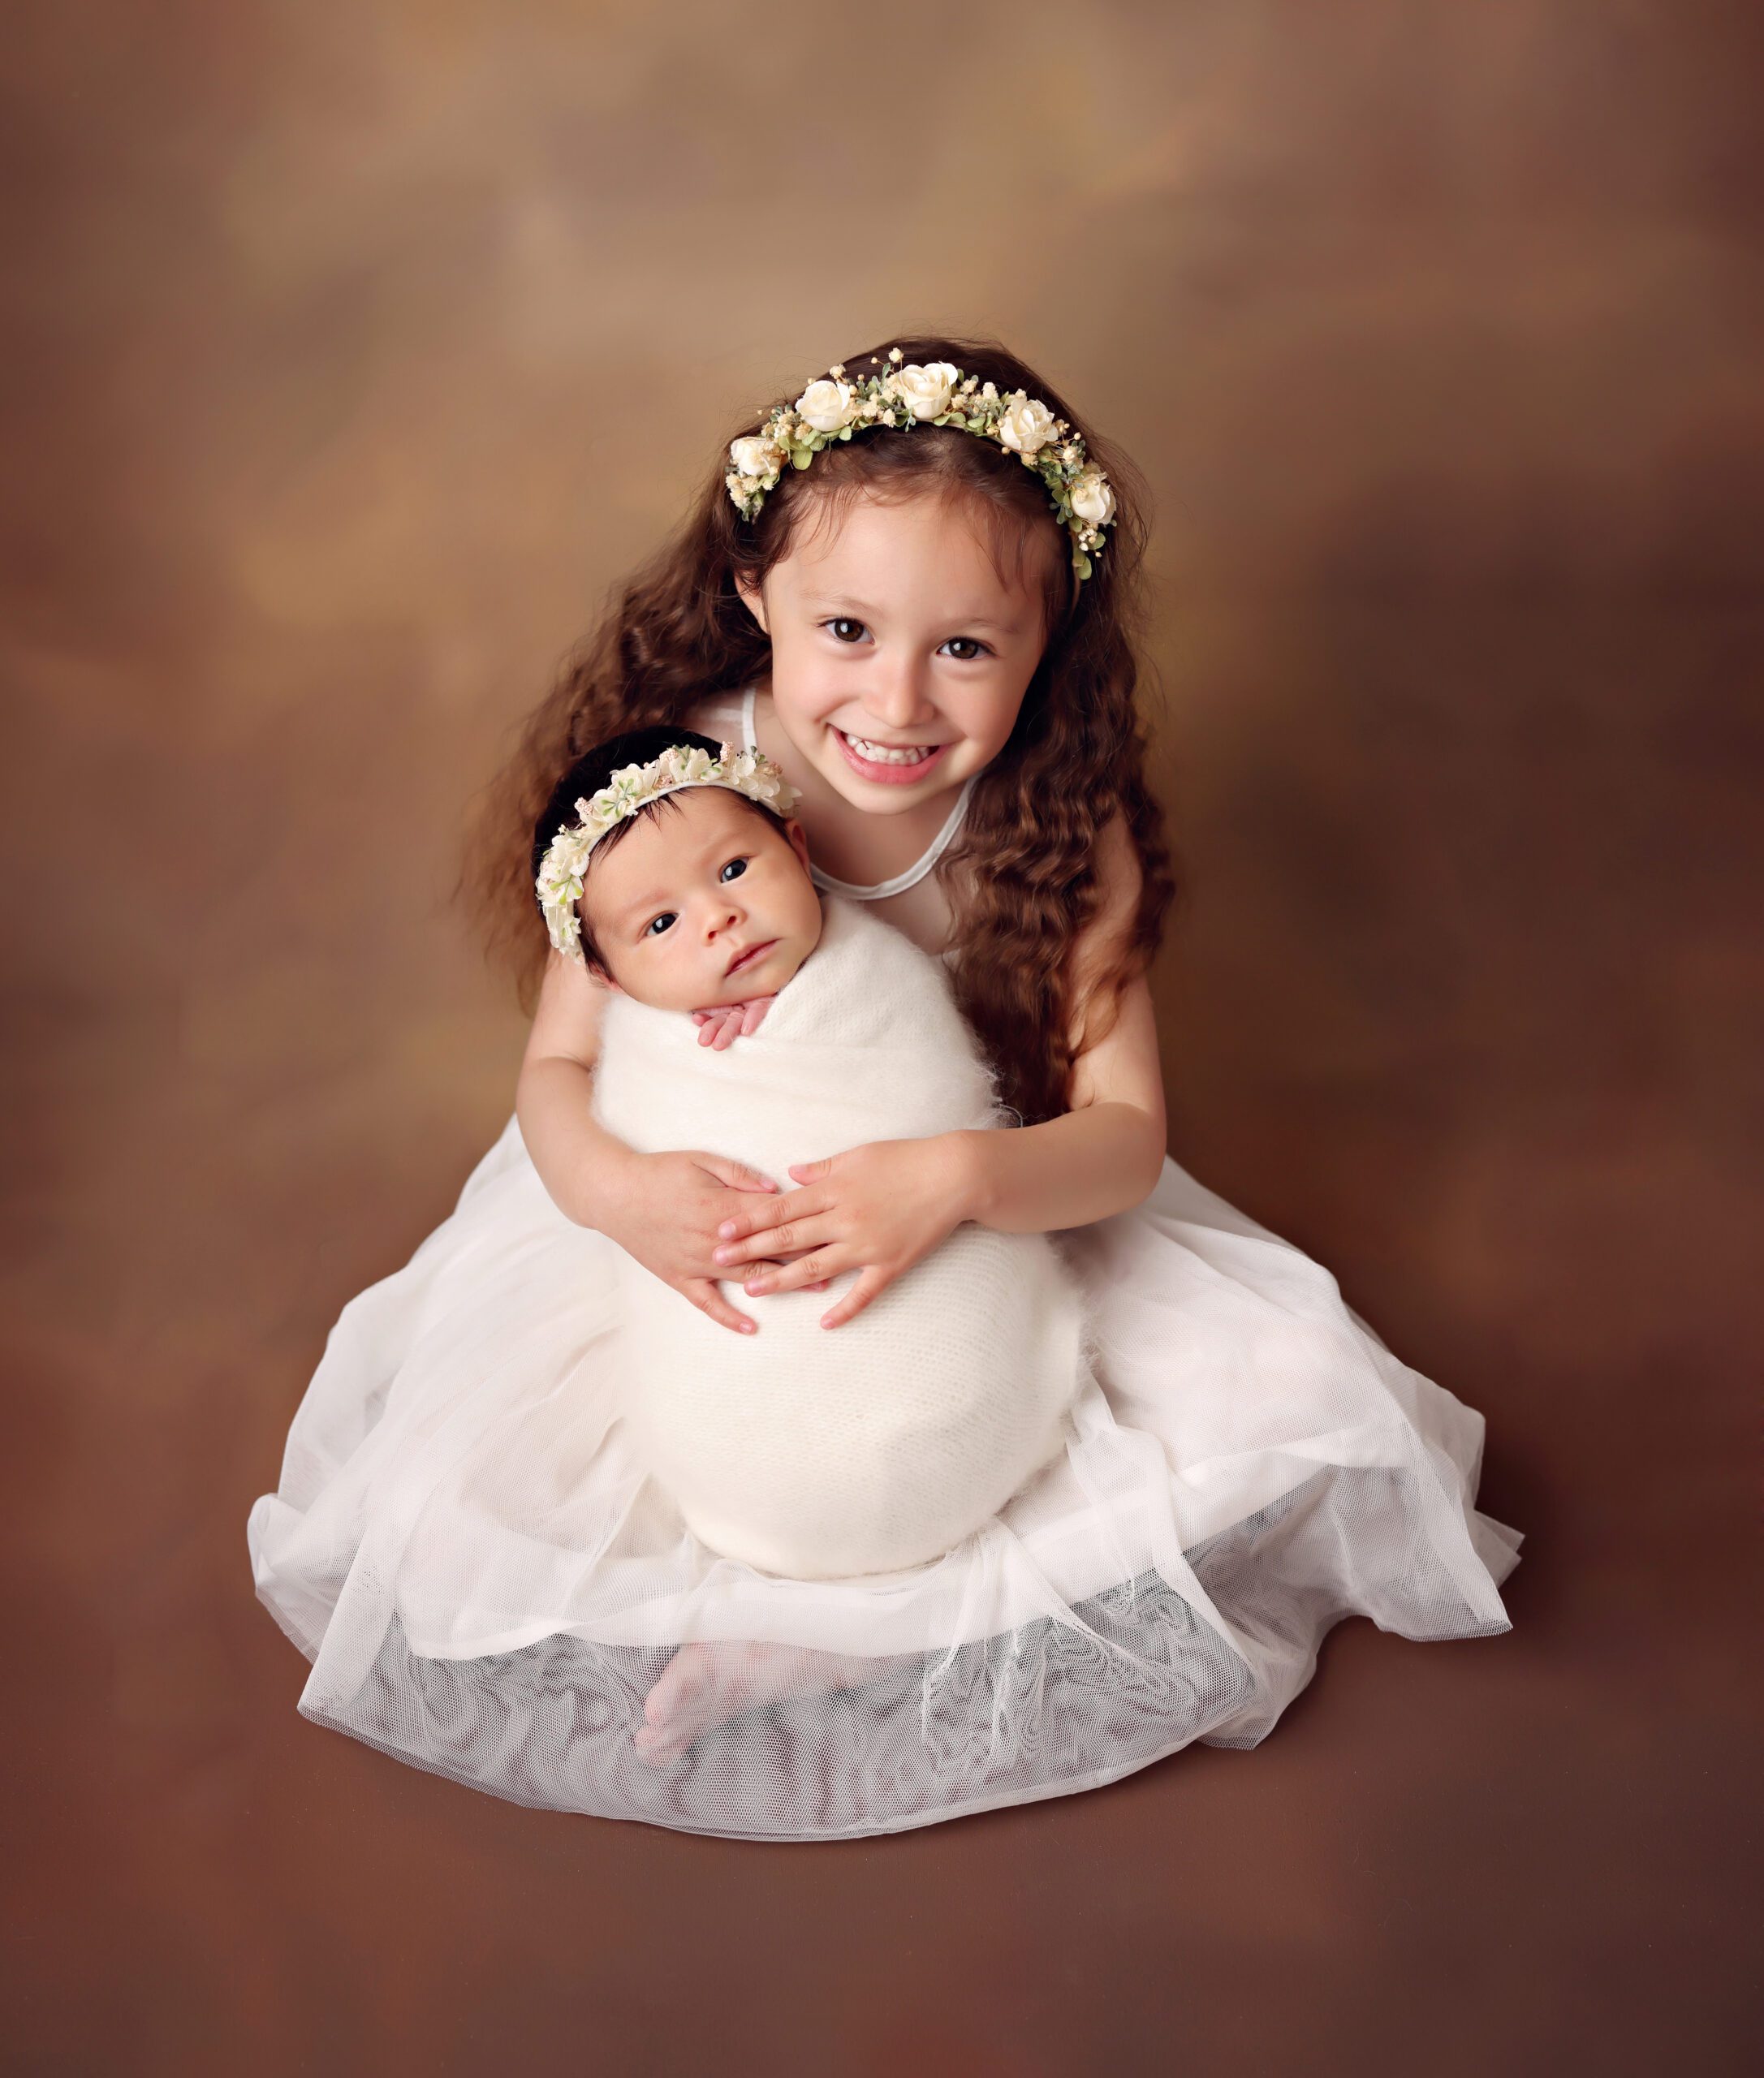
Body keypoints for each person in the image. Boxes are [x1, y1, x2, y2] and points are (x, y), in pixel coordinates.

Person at [248, 334, 1523, 1840]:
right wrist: (617, 1196)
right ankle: (788, 1606)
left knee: (1274, 1411)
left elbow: (1122, 1141)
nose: (898, 701)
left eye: (965, 648)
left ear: (1048, 645)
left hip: (976, 1193)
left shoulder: (1063, 828)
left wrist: (954, 1181)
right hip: (691, 1205)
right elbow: (560, 1070)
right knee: (501, 1494)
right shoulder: (676, 789)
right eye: (846, 629)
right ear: (753, 595)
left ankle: (830, 1632)